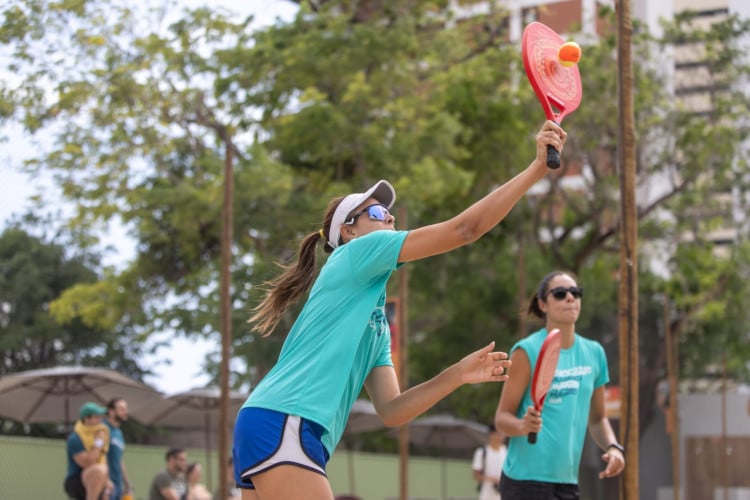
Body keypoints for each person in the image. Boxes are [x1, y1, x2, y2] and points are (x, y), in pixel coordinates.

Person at [233, 121, 567, 499]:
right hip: (286, 419)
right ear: (349, 231)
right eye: (376, 214)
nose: (389, 218)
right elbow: (465, 230)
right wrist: (537, 168)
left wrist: (456, 374)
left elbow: (392, 410)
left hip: (275, 421)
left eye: (390, 214)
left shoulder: (373, 322)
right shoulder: (354, 255)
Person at [494, 270, 625, 500]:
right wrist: (523, 426)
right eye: (560, 293)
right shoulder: (527, 351)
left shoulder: (594, 353)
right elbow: (502, 418)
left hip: (567, 482)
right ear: (543, 304)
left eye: (575, 292)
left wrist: (613, 447)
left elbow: (597, 419)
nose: (570, 298)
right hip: (525, 482)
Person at [64, 401, 114, 500]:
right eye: (97, 417)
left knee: (104, 475)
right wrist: (98, 443)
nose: (100, 420)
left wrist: (106, 480)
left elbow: (103, 460)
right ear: (87, 419)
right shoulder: (76, 438)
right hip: (77, 480)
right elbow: (87, 462)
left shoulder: (100, 433)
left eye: (100, 417)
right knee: (99, 470)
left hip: (97, 480)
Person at [104, 398, 131, 500]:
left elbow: (119, 459)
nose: (125, 412)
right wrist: (105, 480)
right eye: (121, 409)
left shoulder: (118, 433)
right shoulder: (103, 429)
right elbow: (99, 456)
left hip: (118, 484)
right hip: (106, 483)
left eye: (126, 409)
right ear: (111, 411)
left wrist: (127, 483)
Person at [472, 424, 508, 500]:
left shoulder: (506, 452)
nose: (500, 436)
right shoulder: (482, 452)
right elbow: (476, 475)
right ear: (491, 435)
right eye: (498, 433)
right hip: (486, 495)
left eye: (502, 433)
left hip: (503, 495)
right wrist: (492, 479)